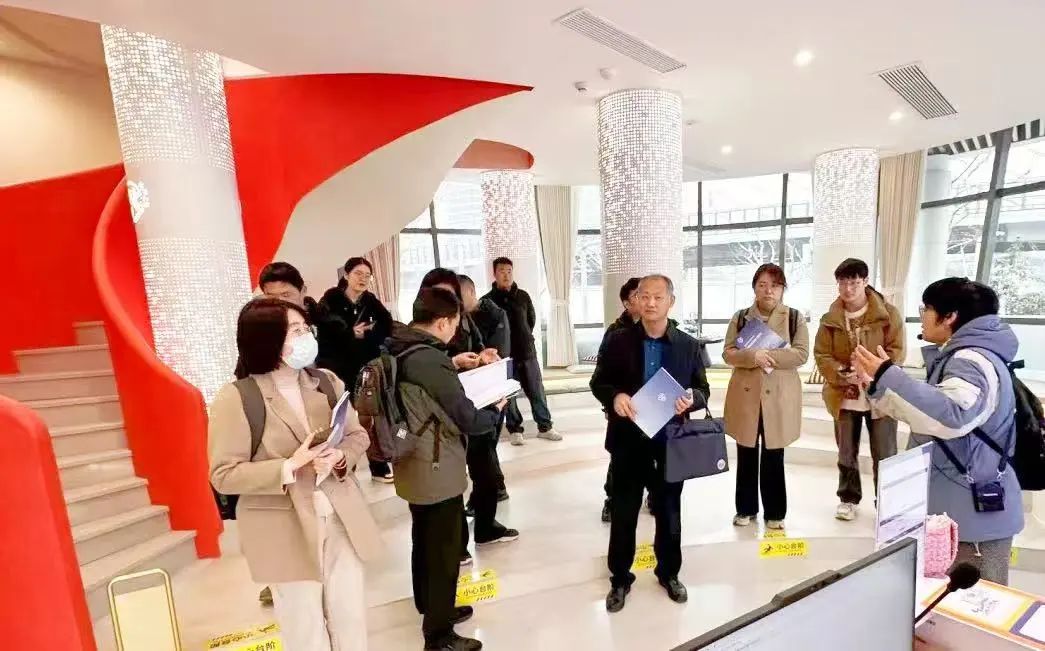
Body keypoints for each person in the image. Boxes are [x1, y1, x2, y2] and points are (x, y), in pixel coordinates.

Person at [209, 298, 382, 651]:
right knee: (304, 627)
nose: (305, 337)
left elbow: (357, 435)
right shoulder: (237, 398)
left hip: (340, 516)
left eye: (306, 329)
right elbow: (224, 474)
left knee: (349, 617)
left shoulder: (326, 381)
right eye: (294, 331)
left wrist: (340, 457)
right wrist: (287, 467)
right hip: (283, 526)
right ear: (266, 340)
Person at [854, 278, 1024, 585]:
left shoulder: (970, 360)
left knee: (974, 601)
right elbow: (927, 416)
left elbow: (953, 417)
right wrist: (878, 385)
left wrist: (889, 375)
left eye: (927, 309)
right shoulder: (967, 355)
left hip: (972, 519)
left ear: (950, 317)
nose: (922, 316)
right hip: (962, 506)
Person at [388, 287, 508, 651]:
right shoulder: (429, 359)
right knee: (443, 547)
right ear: (442, 322)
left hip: (413, 459)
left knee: (424, 539)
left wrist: (453, 365)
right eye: (455, 323)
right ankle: (438, 636)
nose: (456, 330)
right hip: (435, 463)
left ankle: (432, 607)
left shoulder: (400, 344)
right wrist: (495, 410)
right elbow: (466, 416)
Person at [590, 274, 710, 613]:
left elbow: (703, 389)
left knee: (669, 512)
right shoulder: (618, 341)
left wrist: (692, 398)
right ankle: (619, 578)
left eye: (658, 297)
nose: (651, 303)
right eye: (644, 296)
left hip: (669, 442)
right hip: (628, 441)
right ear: (636, 300)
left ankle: (669, 573)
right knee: (624, 512)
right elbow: (599, 381)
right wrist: (615, 396)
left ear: (671, 301)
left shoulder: (687, 345)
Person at [420, 269, 519, 569]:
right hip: (443, 416)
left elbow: (475, 347)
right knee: (451, 486)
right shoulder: (423, 330)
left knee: (486, 473)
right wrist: (453, 362)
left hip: (474, 403)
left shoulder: (464, 319)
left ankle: (486, 528)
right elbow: (427, 367)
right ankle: (458, 546)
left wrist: (482, 357)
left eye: (452, 293)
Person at [814, 258, 905, 521]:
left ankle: (888, 504)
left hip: (881, 395)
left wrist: (872, 371)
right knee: (846, 452)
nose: (848, 289)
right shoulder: (830, 319)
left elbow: (897, 351)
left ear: (865, 281)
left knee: (885, 452)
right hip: (844, 394)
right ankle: (848, 498)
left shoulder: (888, 314)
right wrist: (843, 372)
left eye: (854, 283)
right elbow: (822, 354)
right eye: (843, 283)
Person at [723, 263, 809, 530]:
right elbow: (728, 353)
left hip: (779, 397)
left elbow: (801, 354)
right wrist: (753, 356)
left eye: (774, 285)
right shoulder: (740, 317)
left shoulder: (794, 318)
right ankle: (745, 509)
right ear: (754, 288)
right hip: (746, 396)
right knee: (746, 453)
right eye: (762, 285)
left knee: (774, 454)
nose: (768, 290)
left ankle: (775, 512)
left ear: (782, 289)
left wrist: (767, 355)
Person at [320, 257, 395, 483]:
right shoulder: (331, 299)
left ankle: (377, 462)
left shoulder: (370, 301)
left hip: (365, 367)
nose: (363, 279)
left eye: (367, 275)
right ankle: (345, 462)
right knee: (341, 418)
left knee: (370, 415)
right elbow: (325, 332)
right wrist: (349, 333)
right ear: (346, 275)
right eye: (358, 274)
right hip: (338, 368)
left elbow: (386, 326)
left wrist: (367, 334)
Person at [483, 257, 561, 445]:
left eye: (509, 271)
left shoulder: (523, 296)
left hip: (526, 352)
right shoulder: (487, 301)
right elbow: (484, 330)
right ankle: (515, 430)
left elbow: (531, 320)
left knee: (536, 391)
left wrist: (523, 337)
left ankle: (545, 427)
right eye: (502, 271)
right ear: (494, 274)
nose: (506, 275)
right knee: (509, 396)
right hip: (504, 357)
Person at [459, 274, 511, 503]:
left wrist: (479, 359)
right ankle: (491, 492)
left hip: (489, 390)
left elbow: (498, 352)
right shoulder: (463, 317)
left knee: (484, 447)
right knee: (481, 450)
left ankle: (490, 494)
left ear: (471, 292)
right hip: (473, 391)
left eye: (459, 295)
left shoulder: (495, 314)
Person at [600, 277, 642, 523]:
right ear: (627, 303)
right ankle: (612, 499)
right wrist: (611, 401)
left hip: (653, 405)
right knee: (620, 457)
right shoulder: (615, 333)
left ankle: (652, 496)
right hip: (624, 407)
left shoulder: (659, 328)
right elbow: (603, 375)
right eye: (639, 295)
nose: (646, 300)